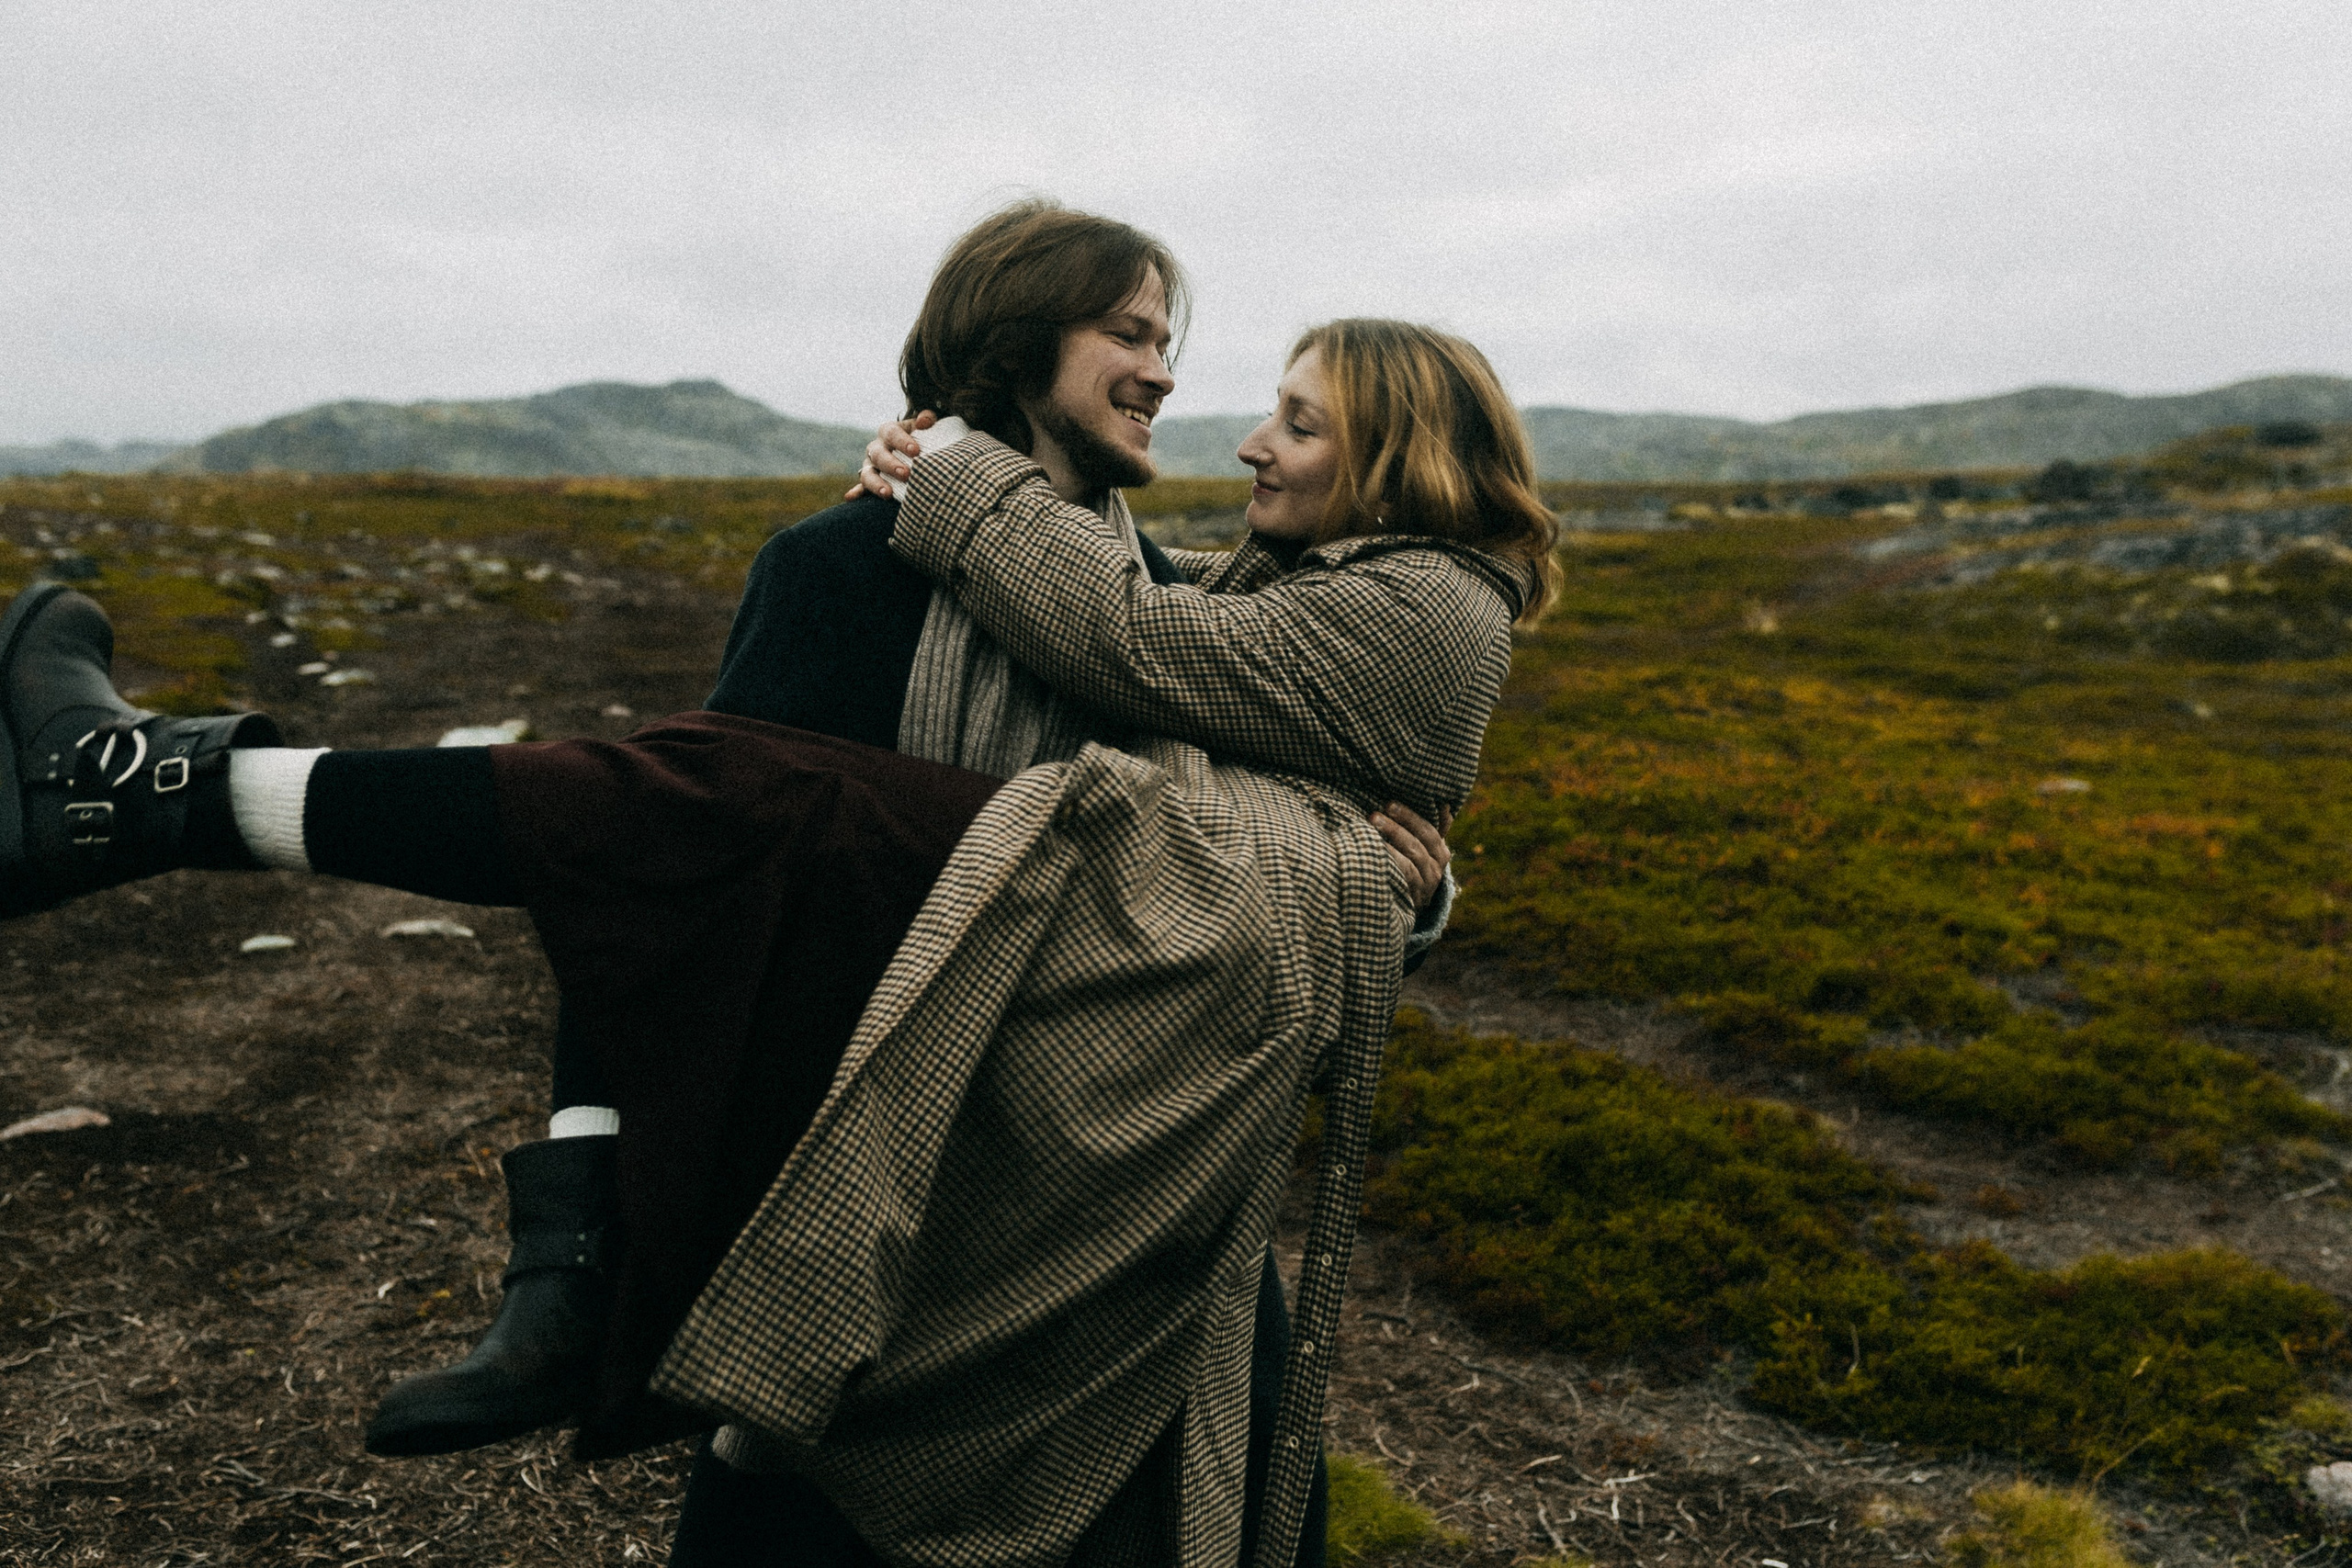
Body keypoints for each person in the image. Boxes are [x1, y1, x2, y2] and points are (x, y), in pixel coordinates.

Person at [0, 294, 1555, 1566]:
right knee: (681, 812)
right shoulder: (854, 563)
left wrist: (1401, 897)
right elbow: (657, 889)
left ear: (1396, 453)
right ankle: (148, 793)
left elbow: (1160, 665)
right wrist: (582, 1215)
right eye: (1133, 328)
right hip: (950, 1102)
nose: (1206, 405)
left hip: (1122, 1106)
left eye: (1292, 416)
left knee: (716, 803)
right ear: (1021, 341)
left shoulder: (1341, 596)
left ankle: (152, 790)